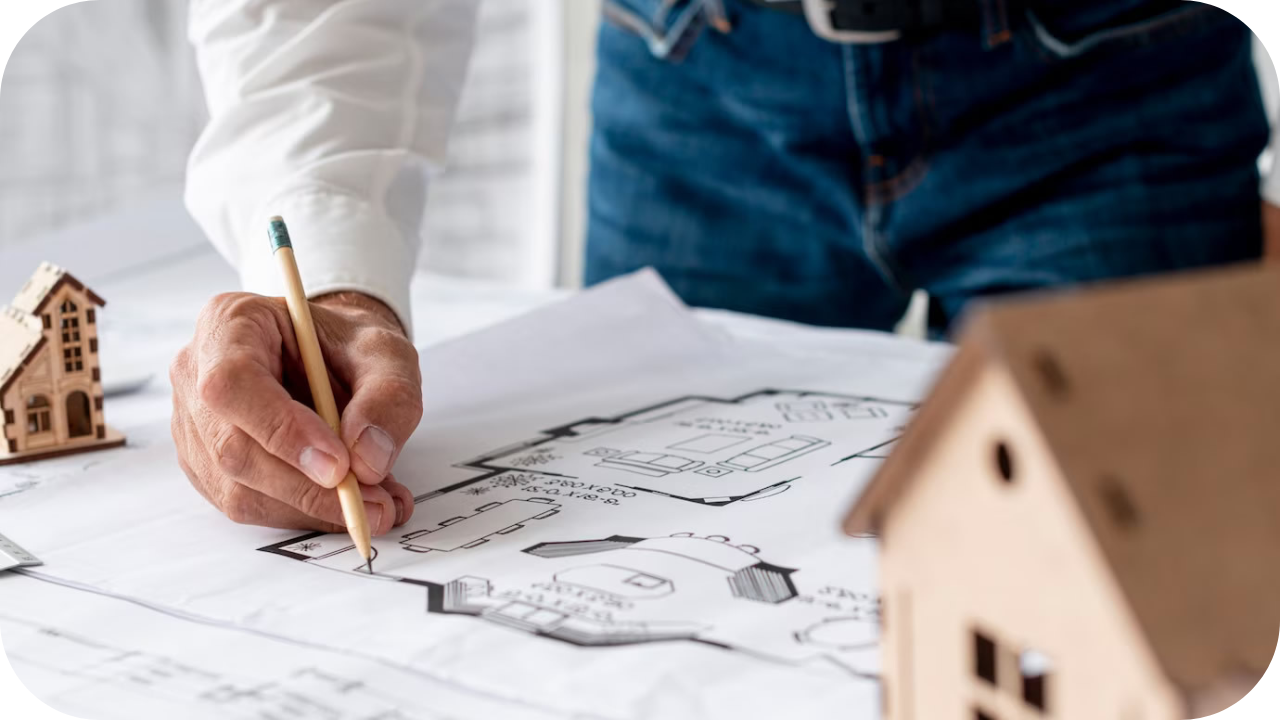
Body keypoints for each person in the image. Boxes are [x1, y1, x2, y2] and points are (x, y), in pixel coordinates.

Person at [172, 0, 1278, 535]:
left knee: (1128, 572)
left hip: (1114, 73)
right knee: (664, 520)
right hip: (697, 65)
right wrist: (326, 264)